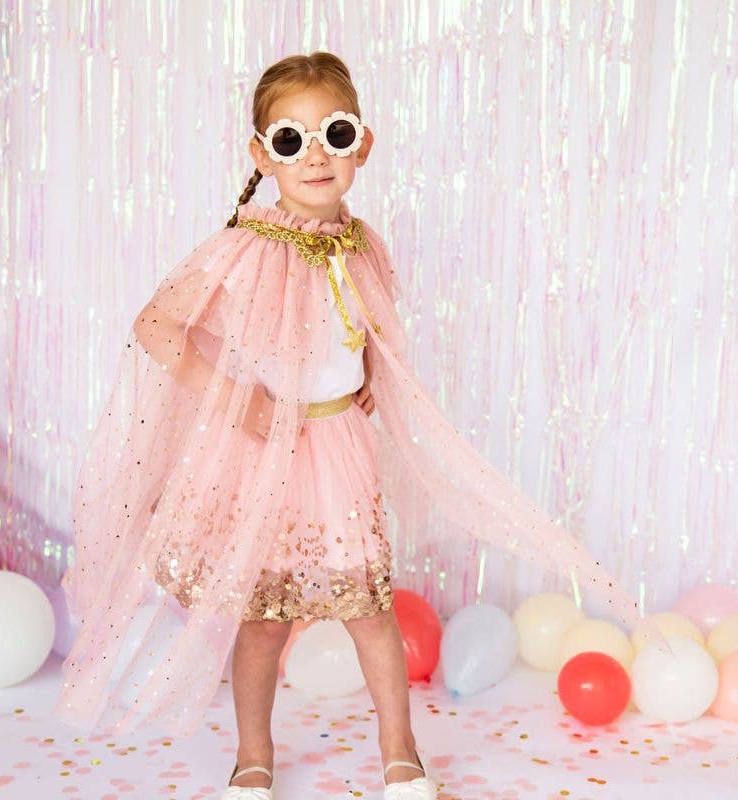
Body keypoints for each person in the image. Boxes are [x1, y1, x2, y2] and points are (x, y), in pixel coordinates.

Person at [54, 52, 668, 800]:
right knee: (264, 620)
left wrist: (370, 371)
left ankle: (399, 752)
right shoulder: (245, 249)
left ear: (361, 145)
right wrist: (232, 396)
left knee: (372, 612)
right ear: (262, 156)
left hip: (338, 445)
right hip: (267, 457)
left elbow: (360, 322)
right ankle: (253, 756)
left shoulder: (359, 241)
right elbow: (157, 326)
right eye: (290, 140)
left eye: (333, 134)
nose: (314, 154)